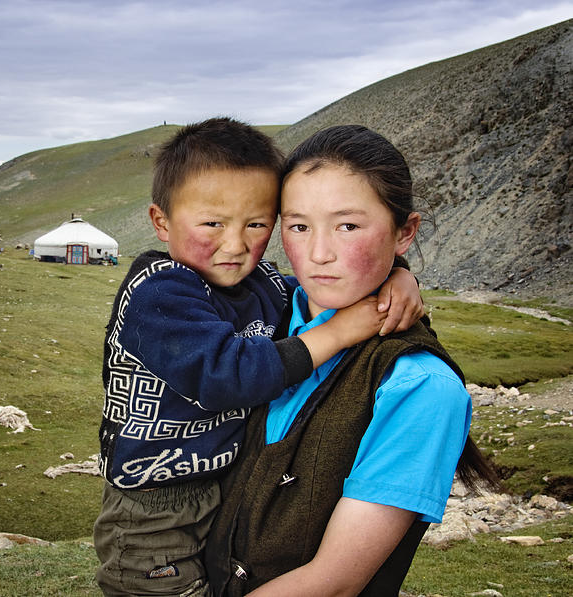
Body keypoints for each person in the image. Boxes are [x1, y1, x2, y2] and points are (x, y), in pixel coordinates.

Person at [93, 117, 426, 597]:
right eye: (213, 224)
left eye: (257, 224)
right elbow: (228, 375)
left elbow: (319, 291)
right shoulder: (159, 293)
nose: (236, 245)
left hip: (220, 490)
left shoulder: (259, 285)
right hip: (153, 507)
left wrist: (398, 274)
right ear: (161, 222)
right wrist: (336, 333)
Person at [204, 124, 500, 597]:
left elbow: (335, 583)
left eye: (348, 226)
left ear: (405, 232)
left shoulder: (419, 386)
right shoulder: (259, 315)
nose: (319, 254)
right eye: (299, 226)